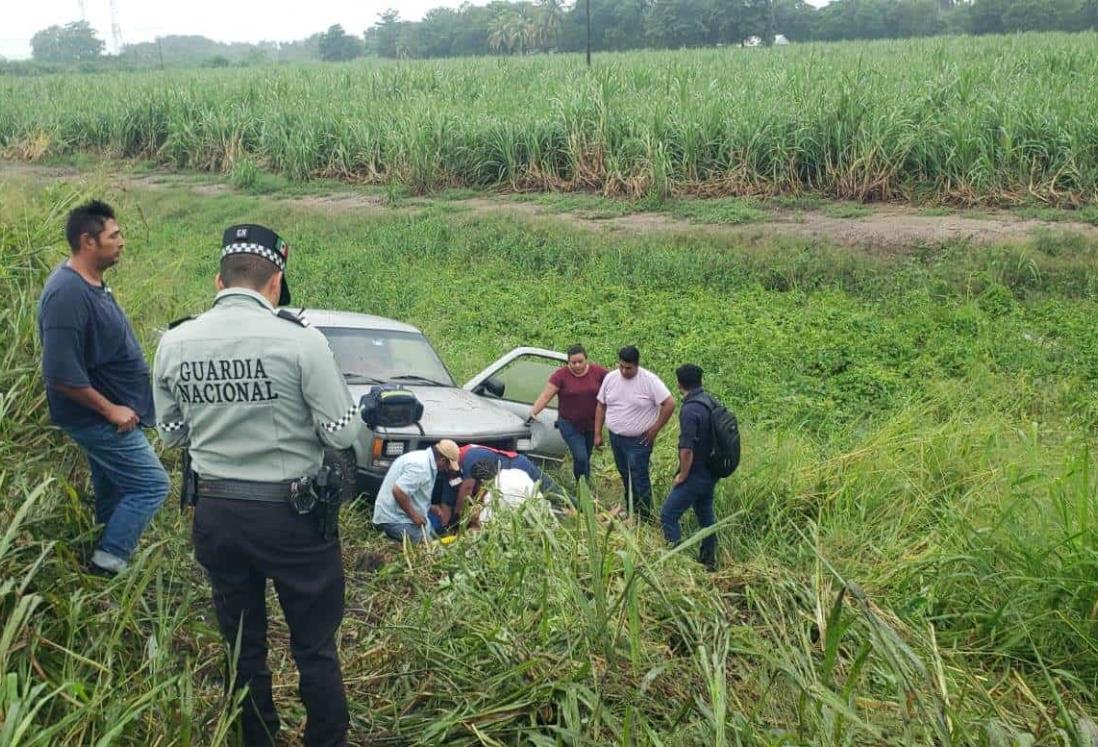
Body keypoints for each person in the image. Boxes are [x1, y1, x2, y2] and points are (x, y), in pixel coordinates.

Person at [153, 223, 362, 746]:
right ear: (276, 282)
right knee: (314, 646)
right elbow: (343, 430)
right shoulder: (301, 341)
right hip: (293, 519)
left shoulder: (176, 341)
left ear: (218, 282)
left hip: (218, 514)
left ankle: (256, 737)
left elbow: (173, 433)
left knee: (241, 643)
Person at [37, 199, 170, 576]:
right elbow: (59, 372)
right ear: (88, 241)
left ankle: (98, 573)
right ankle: (109, 564)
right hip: (98, 418)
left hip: (111, 414)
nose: (122, 241)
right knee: (151, 486)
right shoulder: (67, 294)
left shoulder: (90, 284)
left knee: (114, 489)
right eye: (115, 235)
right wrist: (110, 409)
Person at [594, 346, 675, 521]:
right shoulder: (611, 378)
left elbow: (670, 403)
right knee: (624, 474)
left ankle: (645, 516)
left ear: (637, 365)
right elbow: (601, 405)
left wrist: (655, 429)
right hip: (616, 438)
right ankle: (632, 509)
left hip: (639, 441)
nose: (624, 370)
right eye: (621, 366)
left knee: (639, 476)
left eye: (628, 368)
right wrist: (597, 433)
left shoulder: (649, 381)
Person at [660, 364, 718, 570]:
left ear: (679, 383)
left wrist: (682, 475)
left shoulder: (690, 409)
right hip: (711, 470)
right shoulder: (710, 401)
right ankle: (709, 560)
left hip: (695, 471)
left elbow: (686, 449)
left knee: (668, 515)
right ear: (700, 381)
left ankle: (676, 561)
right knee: (705, 514)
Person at [528, 344, 608, 484]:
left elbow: (615, 383)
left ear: (586, 360)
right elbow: (546, 395)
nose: (577, 365)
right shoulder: (561, 376)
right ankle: (581, 485)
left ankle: (584, 487)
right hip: (569, 423)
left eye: (580, 362)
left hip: (591, 424)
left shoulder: (598, 372)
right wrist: (534, 411)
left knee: (586, 458)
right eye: (573, 362)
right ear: (568, 362)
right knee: (580, 456)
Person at [445, 443, 568, 526]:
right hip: (515, 477)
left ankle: (578, 507)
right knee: (536, 503)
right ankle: (563, 512)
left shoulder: (470, 458)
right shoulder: (467, 452)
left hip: (518, 464)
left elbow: (467, 489)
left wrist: (460, 518)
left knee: (555, 492)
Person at [373, 440, 461, 542]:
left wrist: (430, 508)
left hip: (397, 517)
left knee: (434, 535)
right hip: (393, 520)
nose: (446, 469)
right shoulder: (421, 467)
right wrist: (415, 516)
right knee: (428, 546)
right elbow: (398, 491)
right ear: (442, 460)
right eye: (447, 465)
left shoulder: (422, 458)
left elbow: (411, 493)